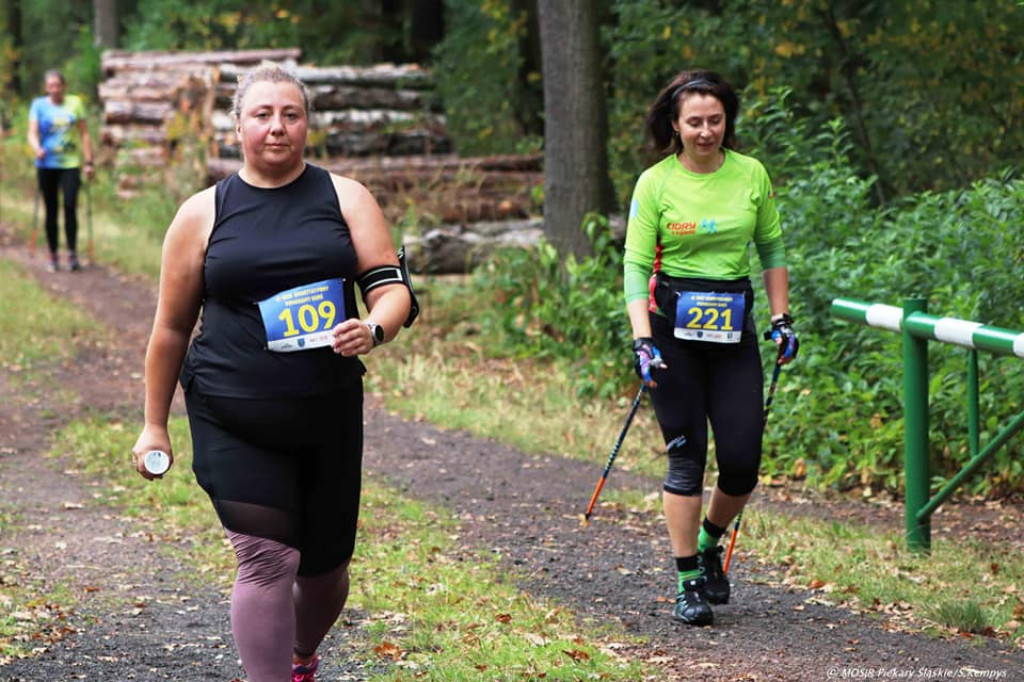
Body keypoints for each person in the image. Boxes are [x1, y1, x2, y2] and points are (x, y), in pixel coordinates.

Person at [131, 63, 415, 682]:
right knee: (266, 558)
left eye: (291, 114)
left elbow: (393, 291)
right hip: (231, 409)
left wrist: (373, 328)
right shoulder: (201, 214)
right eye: (262, 115)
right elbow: (171, 327)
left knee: (324, 571)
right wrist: (155, 425)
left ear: (307, 124)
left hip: (325, 411)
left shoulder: (346, 198)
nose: (277, 127)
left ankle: (302, 655)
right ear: (237, 127)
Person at [623, 69, 799, 627]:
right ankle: (686, 582)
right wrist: (641, 340)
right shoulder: (655, 182)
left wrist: (781, 316)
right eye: (694, 122)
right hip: (671, 335)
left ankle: (708, 542)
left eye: (715, 120)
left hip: (733, 333)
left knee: (743, 462)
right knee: (686, 458)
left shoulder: (751, 174)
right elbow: (632, 266)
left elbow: (770, 247)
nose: (706, 131)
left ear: (728, 120)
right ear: (675, 125)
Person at [27, 69, 94, 272]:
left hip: (70, 164)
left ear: (63, 86)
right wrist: (36, 148)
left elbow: (84, 134)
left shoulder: (75, 103)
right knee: (51, 210)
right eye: (51, 86)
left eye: (58, 85)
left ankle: (72, 253)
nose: (54, 89)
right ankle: (53, 253)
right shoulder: (38, 105)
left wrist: (89, 161)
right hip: (47, 165)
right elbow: (31, 133)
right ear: (46, 88)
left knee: (70, 206)